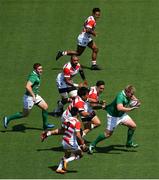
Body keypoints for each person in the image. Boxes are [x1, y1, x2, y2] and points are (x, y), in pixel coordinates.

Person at [88, 85, 141, 154]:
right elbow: (119, 108)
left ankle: (129, 143)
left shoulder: (129, 94)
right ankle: (92, 145)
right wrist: (130, 109)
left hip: (121, 115)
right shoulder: (120, 96)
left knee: (133, 126)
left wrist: (137, 101)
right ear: (127, 92)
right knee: (107, 134)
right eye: (131, 94)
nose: (132, 96)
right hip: (113, 116)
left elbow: (133, 98)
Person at [3, 63, 55, 130]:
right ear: (35, 69)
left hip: (35, 96)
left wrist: (34, 95)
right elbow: (27, 86)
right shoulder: (33, 76)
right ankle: (8, 118)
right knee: (24, 114)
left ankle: (45, 125)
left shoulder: (37, 74)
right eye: (39, 69)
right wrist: (33, 96)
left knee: (45, 107)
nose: (41, 70)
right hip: (29, 98)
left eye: (41, 69)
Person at [56, 107, 87, 174]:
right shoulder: (77, 122)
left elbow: (62, 129)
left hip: (64, 141)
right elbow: (78, 135)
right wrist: (82, 143)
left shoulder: (66, 120)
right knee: (81, 154)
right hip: (71, 142)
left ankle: (59, 168)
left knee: (66, 155)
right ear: (77, 113)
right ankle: (66, 161)